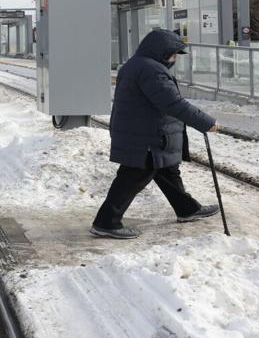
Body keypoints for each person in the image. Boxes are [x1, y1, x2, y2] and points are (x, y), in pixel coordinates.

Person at [91, 30, 223, 239]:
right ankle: (106, 221)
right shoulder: (152, 71)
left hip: (141, 131)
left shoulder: (136, 64)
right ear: (162, 52)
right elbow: (173, 103)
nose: (175, 58)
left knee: (167, 170)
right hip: (147, 136)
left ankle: (186, 209)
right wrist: (206, 123)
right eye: (174, 54)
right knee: (133, 175)